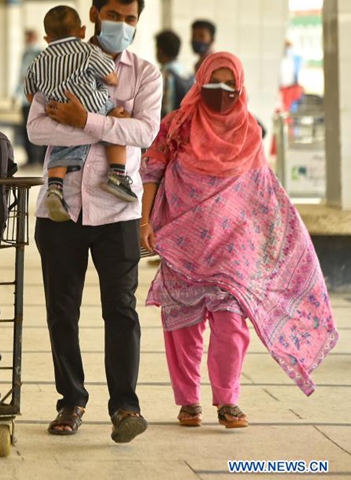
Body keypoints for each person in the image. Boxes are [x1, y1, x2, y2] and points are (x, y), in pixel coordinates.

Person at [139, 52, 338, 429]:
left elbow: (260, 189)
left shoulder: (249, 131)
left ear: (241, 86)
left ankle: (228, 401)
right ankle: (188, 402)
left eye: (230, 84)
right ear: (200, 82)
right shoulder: (178, 124)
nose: (221, 91)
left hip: (234, 248)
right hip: (182, 244)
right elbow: (152, 170)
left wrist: (276, 236)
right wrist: (145, 222)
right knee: (182, 327)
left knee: (231, 325)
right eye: (214, 81)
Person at [27, 0, 162, 442]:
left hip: (118, 209)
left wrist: (85, 119)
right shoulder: (56, 59)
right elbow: (37, 130)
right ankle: (71, 400)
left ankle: (125, 406)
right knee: (60, 310)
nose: (121, 25)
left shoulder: (144, 73)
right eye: (114, 15)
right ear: (94, 14)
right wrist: (107, 126)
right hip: (60, 207)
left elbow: (145, 132)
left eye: (130, 19)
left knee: (120, 309)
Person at [26, 5, 135, 224]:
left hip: (59, 110)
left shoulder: (39, 59)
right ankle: (117, 175)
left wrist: (50, 103)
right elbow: (110, 77)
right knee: (115, 126)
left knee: (61, 147)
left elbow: (30, 93)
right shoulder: (88, 52)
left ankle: (55, 189)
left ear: (47, 38)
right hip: (93, 107)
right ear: (83, 31)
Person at [13, 29, 46, 167]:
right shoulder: (25, 54)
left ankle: (38, 158)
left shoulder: (41, 54)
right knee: (27, 128)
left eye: (31, 37)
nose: (29, 40)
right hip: (25, 97)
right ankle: (31, 158)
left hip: (36, 97)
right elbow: (21, 76)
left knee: (39, 128)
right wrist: (15, 94)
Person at [155, 29, 192, 118]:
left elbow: (167, 107)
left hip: (172, 124)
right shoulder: (187, 71)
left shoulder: (166, 74)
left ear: (160, 50)